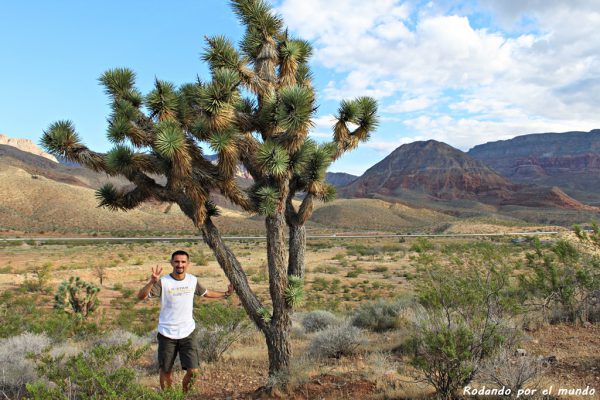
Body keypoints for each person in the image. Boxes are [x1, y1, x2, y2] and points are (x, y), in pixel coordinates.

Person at [138, 250, 233, 392]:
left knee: (193, 371)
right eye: (176, 261)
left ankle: (184, 394)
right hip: (167, 333)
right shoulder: (163, 282)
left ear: (188, 263)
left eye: (183, 262)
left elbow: (206, 293)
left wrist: (226, 294)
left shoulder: (192, 280)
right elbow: (141, 296)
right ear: (171, 263)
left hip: (188, 332)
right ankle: (169, 396)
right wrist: (151, 282)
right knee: (166, 371)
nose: (180, 265)